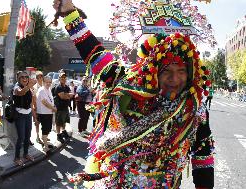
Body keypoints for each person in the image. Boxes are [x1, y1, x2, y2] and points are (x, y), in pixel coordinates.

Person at [52, 1, 215, 189]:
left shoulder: (194, 110)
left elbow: (202, 158)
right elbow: (95, 55)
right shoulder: (129, 86)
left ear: (191, 73)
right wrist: (70, 14)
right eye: (166, 71)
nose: (174, 79)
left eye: (181, 71)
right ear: (154, 71)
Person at [12, 71, 36, 166]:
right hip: (20, 115)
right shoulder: (16, 87)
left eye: (26, 77)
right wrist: (29, 86)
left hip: (28, 114)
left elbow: (31, 103)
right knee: (21, 137)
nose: (25, 78)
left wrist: (34, 116)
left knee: (28, 136)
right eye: (22, 77)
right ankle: (16, 158)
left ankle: (26, 154)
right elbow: (21, 93)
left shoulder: (29, 88)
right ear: (18, 79)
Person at [36, 76, 57, 153]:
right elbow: (44, 102)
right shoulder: (42, 90)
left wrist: (53, 107)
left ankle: (46, 143)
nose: (48, 83)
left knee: (48, 129)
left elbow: (50, 100)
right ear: (43, 82)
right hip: (43, 113)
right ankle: (45, 147)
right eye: (46, 82)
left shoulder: (48, 89)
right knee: (45, 130)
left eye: (49, 82)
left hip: (48, 113)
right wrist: (53, 108)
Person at [51, 72, 73, 143]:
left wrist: (66, 95)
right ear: (59, 78)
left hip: (65, 107)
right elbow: (62, 97)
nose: (63, 78)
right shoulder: (58, 87)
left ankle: (63, 132)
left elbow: (71, 95)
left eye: (64, 77)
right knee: (58, 122)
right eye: (62, 77)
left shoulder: (66, 87)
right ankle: (58, 135)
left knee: (64, 121)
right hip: (59, 108)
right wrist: (67, 95)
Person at [32, 71, 44, 144]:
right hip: (37, 107)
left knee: (44, 123)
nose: (39, 78)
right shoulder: (34, 87)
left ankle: (44, 136)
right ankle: (37, 136)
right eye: (38, 77)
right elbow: (33, 98)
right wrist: (35, 107)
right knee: (37, 123)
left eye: (41, 77)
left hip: (45, 108)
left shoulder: (45, 85)